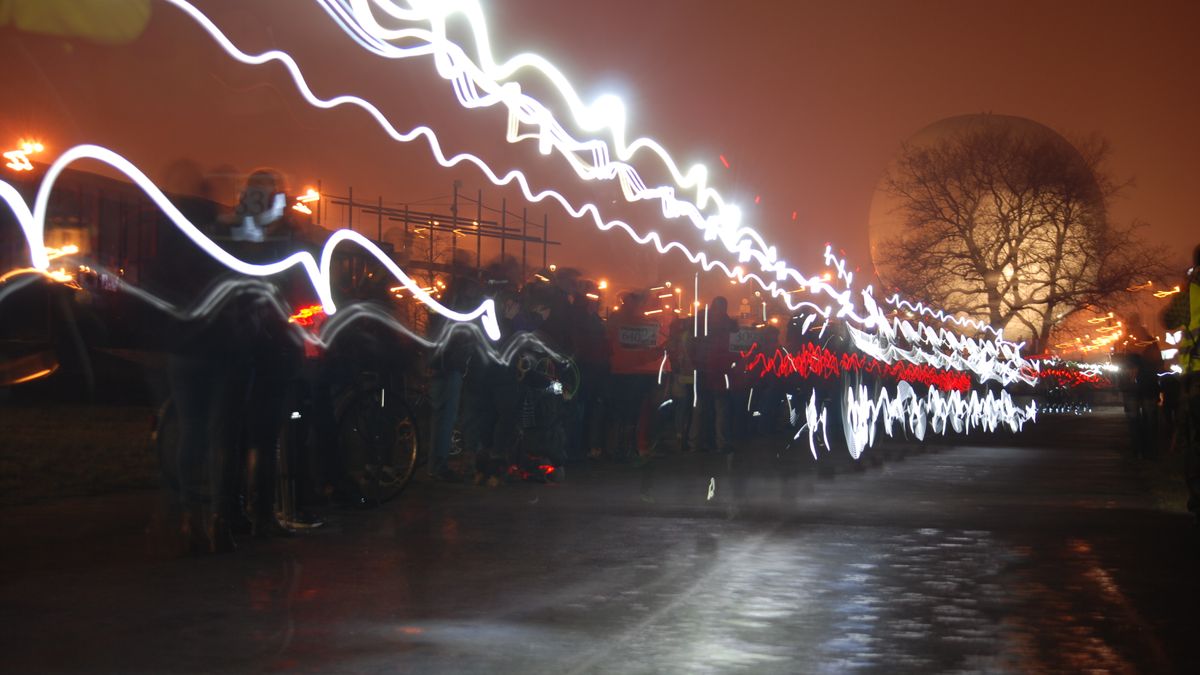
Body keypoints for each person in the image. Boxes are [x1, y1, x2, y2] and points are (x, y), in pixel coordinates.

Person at [1163, 244, 1200, 519]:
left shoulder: (1191, 293)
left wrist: (1185, 286)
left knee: (1195, 440)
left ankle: (1197, 497)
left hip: (1196, 377)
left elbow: (1168, 320)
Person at [688, 296, 738, 454]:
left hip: (704, 369)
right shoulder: (727, 324)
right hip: (719, 371)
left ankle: (696, 443)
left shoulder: (701, 322)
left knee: (701, 408)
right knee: (719, 408)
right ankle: (719, 442)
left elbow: (692, 344)